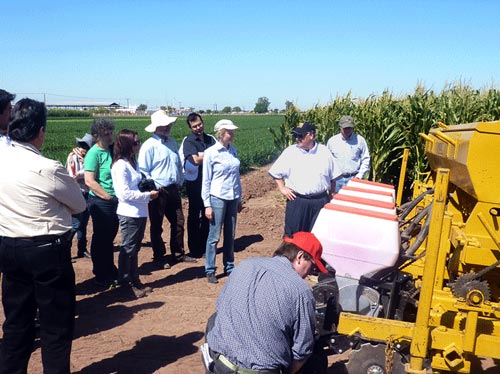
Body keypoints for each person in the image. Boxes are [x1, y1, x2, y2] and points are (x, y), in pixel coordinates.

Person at [0, 98, 86, 373]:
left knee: (16, 323)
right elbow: (79, 205)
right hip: (47, 250)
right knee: (55, 327)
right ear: (39, 131)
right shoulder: (48, 167)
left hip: (9, 246)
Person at [205, 231, 327, 374]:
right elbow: (302, 351)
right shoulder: (301, 291)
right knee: (313, 361)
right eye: (312, 267)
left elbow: (221, 307)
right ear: (299, 257)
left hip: (220, 365)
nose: (309, 274)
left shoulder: (245, 265)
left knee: (214, 319)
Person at [138, 110, 196, 269]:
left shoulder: (172, 142)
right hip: (158, 190)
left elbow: (177, 164)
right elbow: (143, 170)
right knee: (157, 224)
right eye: (163, 125)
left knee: (178, 221)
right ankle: (159, 256)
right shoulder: (149, 146)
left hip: (173, 188)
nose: (167, 127)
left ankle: (178, 253)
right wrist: (153, 187)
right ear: (156, 127)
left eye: (168, 124)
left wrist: (180, 180)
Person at [111, 129, 159, 299]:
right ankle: (125, 284)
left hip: (140, 211)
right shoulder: (120, 166)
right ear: (126, 144)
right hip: (129, 213)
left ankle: (135, 280)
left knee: (135, 248)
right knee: (128, 248)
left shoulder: (133, 162)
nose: (139, 145)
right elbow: (123, 194)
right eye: (136, 142)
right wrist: (147, 195)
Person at [269, 121, 335, 237]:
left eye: (300, 136)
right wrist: (282, 188)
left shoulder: (324, 152)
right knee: (293, 236)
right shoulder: (290, 152)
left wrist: (332, 195)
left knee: (317, 236)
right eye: (295, 135)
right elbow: (276, 172)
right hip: (297, 201)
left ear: (312, 135)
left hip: (320, 201)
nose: (297, 138)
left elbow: (333, 177)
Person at [202, 119, 242, 284]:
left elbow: (237, 178)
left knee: (230, 234)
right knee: (214, 236)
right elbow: (206, 180)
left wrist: (239, 197)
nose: (231, 134)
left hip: (232, 197)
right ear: (220, 133)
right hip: (217, 197)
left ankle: (229, 266)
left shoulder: (233, 151)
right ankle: (210, 269)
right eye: (228, 132)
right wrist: (207, 204)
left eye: (232, 131)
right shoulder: (211, 152)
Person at [84, 118, 119, 288]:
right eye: (107, 133)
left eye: (111, 131)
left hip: (114, 200)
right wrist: (107, 197)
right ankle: (101, 273)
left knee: (110, 237)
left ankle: (110, 269)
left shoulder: (112, 150)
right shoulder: (93, 153)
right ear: (98, 135)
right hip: (101, 201)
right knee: (101, 238)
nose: (111, 135)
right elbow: (89, 181)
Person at [181, 112, 216, 259]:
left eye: (200, 124)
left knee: (208, 213)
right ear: (190, 128)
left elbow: (220, 153)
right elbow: (195, 160)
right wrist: (211, 155)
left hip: (210, 182)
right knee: (194, 215)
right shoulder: (188, 141)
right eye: (194, 126)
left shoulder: (210, 139)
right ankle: (194, 248)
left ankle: (204, 246)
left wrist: (202, 155)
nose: (198, 128)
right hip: (195, 183)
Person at [66, 133, 93, 259]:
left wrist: (83, 174)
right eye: (82, 145)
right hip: (77, 193)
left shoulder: (88, 158)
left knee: (83, 224)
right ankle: (65, 249)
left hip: (87, 193)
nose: (83, 148)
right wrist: (86, 173)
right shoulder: (73, 157)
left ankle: (82, 249)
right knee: (75, 224)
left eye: (85, 146)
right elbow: (73, 176)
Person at [326, 115, 370, 193]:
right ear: (340, 127)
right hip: (336, 180)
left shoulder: (360, 140)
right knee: (336, 203)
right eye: (345, 128)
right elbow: (327, 162)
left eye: (350, 128)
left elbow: (366, 159)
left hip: (354, 179)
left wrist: (359, 176)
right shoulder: (332, 141)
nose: (348, 130)